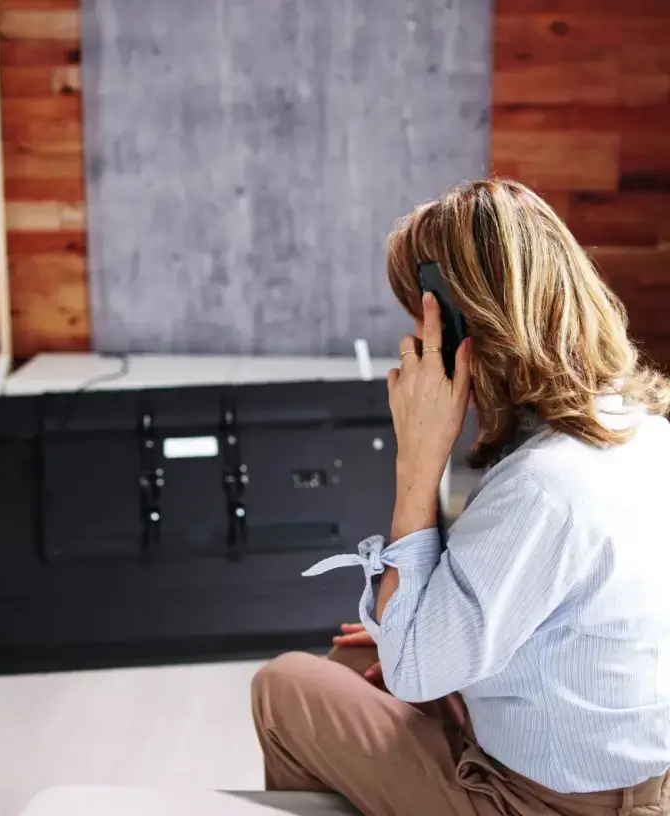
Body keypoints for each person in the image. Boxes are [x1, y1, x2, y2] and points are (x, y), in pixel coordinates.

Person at [251, 179, 670, 816]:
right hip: (626, 771)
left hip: (547, 802)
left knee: (284, 688)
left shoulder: (542, 488)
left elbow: (417, 667)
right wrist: (417, 640)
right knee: (356, 655)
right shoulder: (644, 434)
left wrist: (418, 458)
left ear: (459, 324)